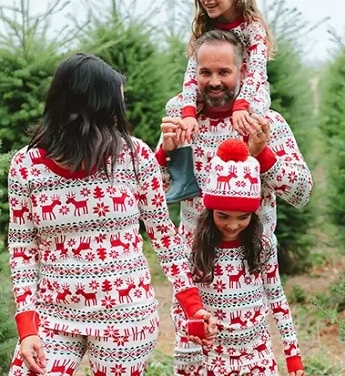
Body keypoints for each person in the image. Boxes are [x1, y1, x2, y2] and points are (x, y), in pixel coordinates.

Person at [7, 53, 217, 376]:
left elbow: (164, 236)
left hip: (125, 317)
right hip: (53, 316)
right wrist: (27, 326)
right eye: (116, 104)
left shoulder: (135, 158)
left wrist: (192, 305)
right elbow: (23, 249)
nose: (121, 113)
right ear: (94, 107)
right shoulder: (26, 167)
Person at [156, 29, 313, 375]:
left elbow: (301, 193)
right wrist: (164, 154)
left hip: (251, 266)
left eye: (223, 72)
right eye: (205, 72)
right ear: (193, 72)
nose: (213, 82)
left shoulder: (266, 123)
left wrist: (263, 156)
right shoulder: (182, 118)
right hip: (195, 268)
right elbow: (155, 196)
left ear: (242, 72)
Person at [171, 138, 305, 375]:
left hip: (256, 357)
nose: (233, 225)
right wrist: (194, 326)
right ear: (210, 209)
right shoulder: (192, 248)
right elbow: (178, 305)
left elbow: (277, 298)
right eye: (223, 216)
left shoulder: (263, 245)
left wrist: (292, 353)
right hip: (210, 360)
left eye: (243, 217)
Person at [165, 0, 274, 203]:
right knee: (175, 108)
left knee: (252, 120)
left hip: (250, 92)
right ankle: (184, 179)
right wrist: (189, 112)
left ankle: (241, 179)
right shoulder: (206, 28)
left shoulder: (253, 29)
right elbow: (192, 73)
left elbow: (256, 70)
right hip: (215, 94)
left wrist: (242, 106)